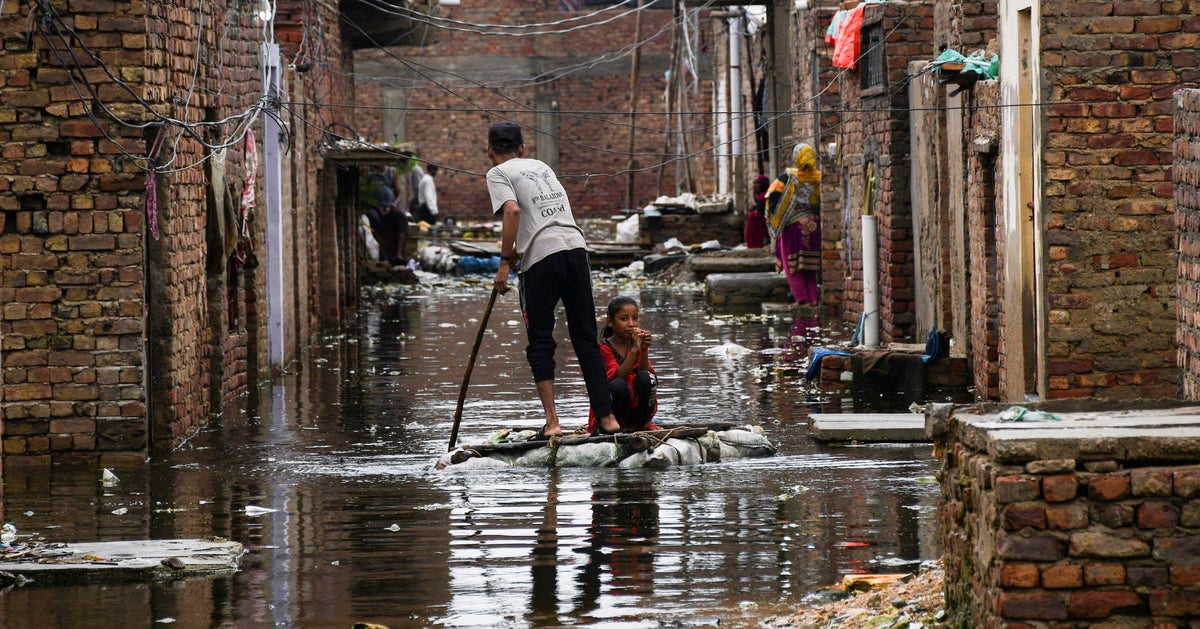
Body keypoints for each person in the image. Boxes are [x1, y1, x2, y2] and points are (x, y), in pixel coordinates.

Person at [485, 121, 621, 439]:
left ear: (489, 151)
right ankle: (607, 418)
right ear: (522, 148)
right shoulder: (542, 166)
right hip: (575, 249)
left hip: (541, 258)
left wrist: (504, 263)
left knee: (541, 341)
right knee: (585, 337)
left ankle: (553, 423)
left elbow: (512, 211)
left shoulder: (497, 172)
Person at [587, 296, 658, 433]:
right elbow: (618, 377)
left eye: (635, 318)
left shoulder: (636, 343)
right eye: (624, 319)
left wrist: (644, 350)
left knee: (647, 378)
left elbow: (643, 374)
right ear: (610, 322)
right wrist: (635, 350)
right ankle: (620, 426)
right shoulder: (604, 347)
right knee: (618, 385)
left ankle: (640, 424)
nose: (631, 324)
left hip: (637, 410)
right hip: (616, 409)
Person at [766, 143, 822, 305]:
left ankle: (802, 299)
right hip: (814, 224)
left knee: (792, 265)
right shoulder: (819, 177)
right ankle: (813, 299)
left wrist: (776, 217)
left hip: (794, 226)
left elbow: (772, 196)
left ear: (796, 157)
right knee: (810, 266)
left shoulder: (789, 176)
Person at [744, 174, 770, 249]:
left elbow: (760, 214)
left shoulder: (764, 196)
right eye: (754, 183)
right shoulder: (759, 196)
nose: (755, 185)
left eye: (758, 183)